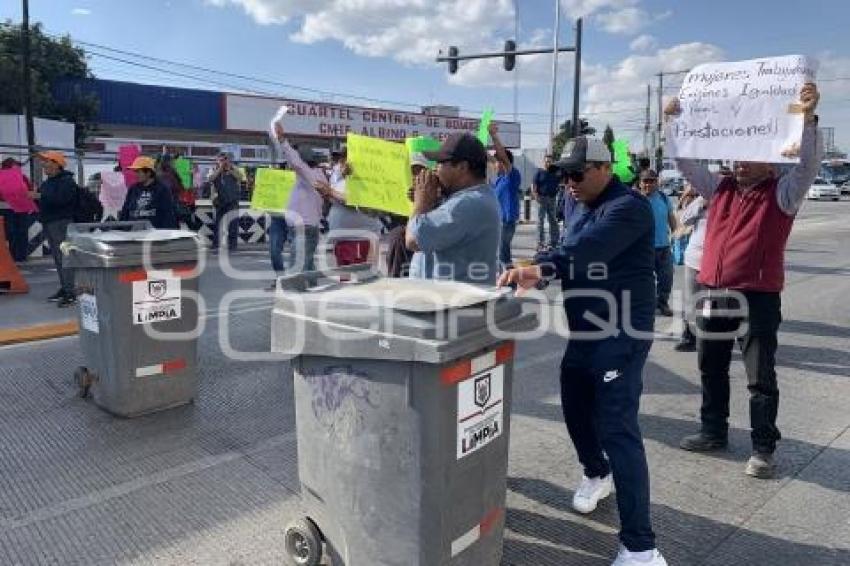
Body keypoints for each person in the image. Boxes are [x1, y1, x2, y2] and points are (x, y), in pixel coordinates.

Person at [498, 136, 667, 566]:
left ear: (605, 168)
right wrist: (533, 265)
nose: (568, 182)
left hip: (621, 334)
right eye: (564, 175)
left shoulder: (629, 207)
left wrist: (541, 269)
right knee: (574, 406)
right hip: (587, 331)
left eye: (577, 173)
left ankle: (642, 547)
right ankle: (597, 472)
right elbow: (564, 249)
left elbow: (585, 250)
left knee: (618, 430)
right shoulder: (580, 204)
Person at [668, 82, 824, 479]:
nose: (739, 164)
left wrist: (807, 121)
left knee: (760, 378)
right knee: (711, 367)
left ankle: (762, 448)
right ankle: (713, 431)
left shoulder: (783, 193)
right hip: (712, 292)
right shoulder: (719, 188)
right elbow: (686, 164)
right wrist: (674, 121)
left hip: (756, 297)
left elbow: (808, 166)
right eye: (735, 158)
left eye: (748, 159)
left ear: (769, 163)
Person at [405, 133, 500, 284]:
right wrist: (430, 202)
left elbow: (413, 240)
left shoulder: (467, 204)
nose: (435, 169)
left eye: (440, 163)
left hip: (453, 302)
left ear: (462, 167)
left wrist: (421, 203)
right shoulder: (473, 197)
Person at [313, 147, 383, 267]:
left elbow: (354, 201)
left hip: (360, 238)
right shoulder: (337, 178)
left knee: (360, 280)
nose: (340, 163)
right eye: (339, 159)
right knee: (346, 281)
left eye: (344, 159)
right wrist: (325, 196)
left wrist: (330, 192)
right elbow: (333, 202)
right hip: (342, 238)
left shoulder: (364, 179)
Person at [271, 122, 324, 274]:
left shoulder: (306, 173)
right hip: (309, 225)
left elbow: (296, 162)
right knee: (307, 263)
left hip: (303, 226)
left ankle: (298, 292)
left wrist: (282, 140)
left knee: (298, 265)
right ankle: (311, 288)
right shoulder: (317, 174)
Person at [35, 151, 78, 308]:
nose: (43, 164)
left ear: (56, 163)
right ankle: (65, 288)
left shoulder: (66, 182)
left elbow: (61, 200)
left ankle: (71, 292)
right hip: (51, 223)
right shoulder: (49, 182)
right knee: (58, 258)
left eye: (46, 161)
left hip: (62, 224)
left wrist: (40, 196)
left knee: (65, 258)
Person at [638, 169, 677, 316]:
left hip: (664, 247)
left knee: (666, 278)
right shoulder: (635, 199)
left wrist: (675, 233)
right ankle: (646, 305)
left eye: (652, 181)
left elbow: (671, 218)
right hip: (643, 249)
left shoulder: (663, 198)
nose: (648, 184)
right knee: (644, 281)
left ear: (657, 182)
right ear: (640, 183)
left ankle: (662, 303)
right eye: (645, 181)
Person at [674, 192, 709, 352]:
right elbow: (684, 219)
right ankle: (690, 336)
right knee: (692, 300)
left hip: (718, 262)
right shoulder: (702, 201)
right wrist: (701, 202)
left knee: (714, 303)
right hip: (694, 259)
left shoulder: (732, 202)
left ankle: (710, 338)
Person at [489, 123, 521, 269]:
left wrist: (494, 136)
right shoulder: (499, 180)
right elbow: (488, 157)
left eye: (497, 163)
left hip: (506, 222)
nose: (494, 165)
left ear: (504, 163)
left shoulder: (511, 175)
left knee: (503, 255)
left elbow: (501, 156)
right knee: (501, 253)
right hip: (499, 222)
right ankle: (507, 279)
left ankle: (511, 281)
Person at [119, 156, 178, 229]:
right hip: (132, 234)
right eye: (135, 172)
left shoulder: (162, 189)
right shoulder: (133, 189)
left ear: (148, 172)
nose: (136, 175)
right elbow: (125, 211)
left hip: (154, 235)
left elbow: (168, 214)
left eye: (138, 172)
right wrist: (121, 230)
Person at [0, 157, 38, 262]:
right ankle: (12, 255)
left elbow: (29, 189)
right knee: (11, 232)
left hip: (20, 208)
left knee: (21, 231)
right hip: (7, 208)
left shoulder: (23, 177)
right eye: (15, 166)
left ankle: (21, 255)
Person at [207, 151, 244, 252]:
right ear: (217, 161)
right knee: (218, 225)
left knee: (233, 225)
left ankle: (232, 246)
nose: (223, 162)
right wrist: (220, 169)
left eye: (225, 160)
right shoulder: (213, 169)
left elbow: (241, 177)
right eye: (221, 160)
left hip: (232, 201)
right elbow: (210, 178)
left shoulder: (233, 168)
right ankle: (216, 244)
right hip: (219, 201)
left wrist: (230, 170)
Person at [532, 155, 561, 251]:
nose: (548, 163)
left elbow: (560, 182)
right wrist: (536, 195)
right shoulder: (539, 172)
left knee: (553, 220)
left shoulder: (555, 173)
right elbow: (534, 185)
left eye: (550, 161)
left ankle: (554, 242)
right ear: (544, 162)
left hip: (552, 199)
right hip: (541, 198)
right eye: (547, 161)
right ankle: (540, 243)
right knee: (540, 221)